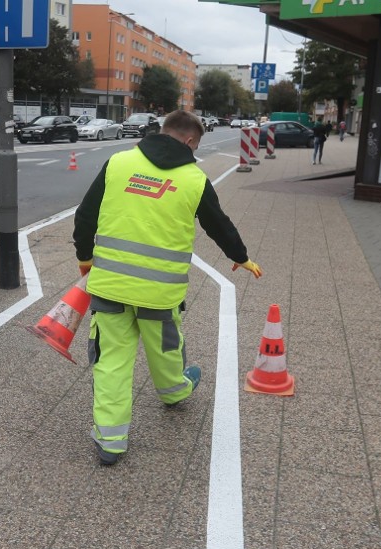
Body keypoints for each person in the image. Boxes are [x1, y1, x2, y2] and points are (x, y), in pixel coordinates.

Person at [73, 110, 263, 465]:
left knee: (111, 362)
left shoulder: (119, 162)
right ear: (191, 141)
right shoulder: (194, 179)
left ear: (163, 131)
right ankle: (175, 391)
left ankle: (111, 443)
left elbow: (85, 214)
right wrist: (241, 256)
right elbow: (217, 224)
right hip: (160, 294)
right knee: (165, 349)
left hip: (110, 286)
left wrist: (85, 257)